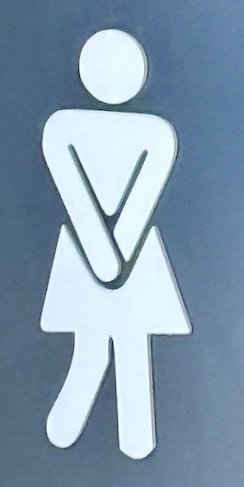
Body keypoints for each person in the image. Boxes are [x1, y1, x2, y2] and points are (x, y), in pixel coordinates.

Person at [41, 29, 191, 460]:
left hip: (124, 258)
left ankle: (132, 437)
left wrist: (111, 257)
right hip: (100, 256)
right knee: (95, 344)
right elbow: (74, 193)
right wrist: (103, 256)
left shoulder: (154, 135)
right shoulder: (63, 129)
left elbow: (143, 199)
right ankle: (70, 427)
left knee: (130, 344)